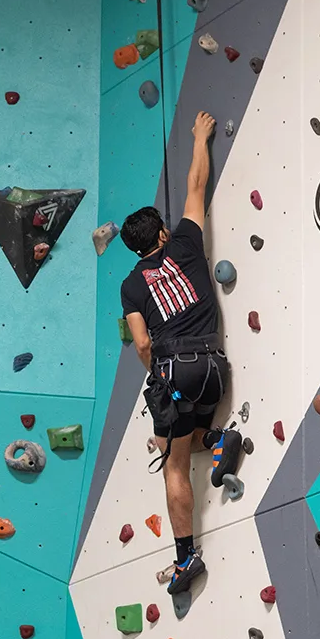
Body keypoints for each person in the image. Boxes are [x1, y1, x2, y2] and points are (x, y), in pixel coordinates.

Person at [119, 110, 238, 595]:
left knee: (173, 462)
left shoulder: (130, 285)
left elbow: (143, 342)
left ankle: (187, 559)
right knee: (188, 434)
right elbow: (195, 183)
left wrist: (161, 376)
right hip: (214, 367)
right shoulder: (187, 241)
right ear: (162, 232)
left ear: (135, 249)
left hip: (176, 370)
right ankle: (216, 440)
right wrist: (200, 136)